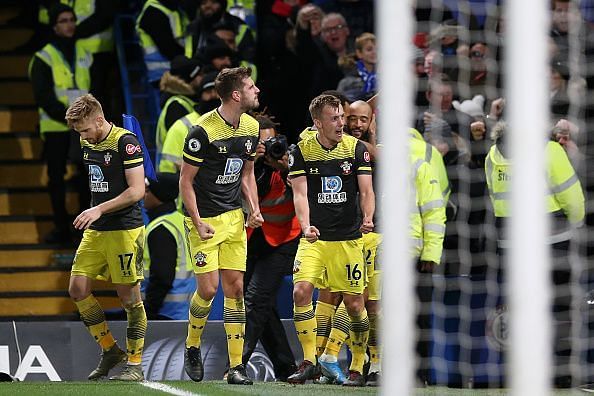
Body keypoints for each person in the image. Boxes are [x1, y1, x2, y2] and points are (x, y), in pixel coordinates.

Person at [485, 121, 585, 388]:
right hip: (552, 239)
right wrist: (575, 223)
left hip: (510, 244)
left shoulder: (492, 154)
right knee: (561, 308)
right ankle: (561, 374)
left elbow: (495, 198)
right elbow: (572, 198)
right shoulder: (548, 149)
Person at [180, 66, 262, 385]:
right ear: (236, 94)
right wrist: (198, 223)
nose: (258, 91)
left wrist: (253, 209)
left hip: (233, 219)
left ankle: (236, 366)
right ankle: (191, 346)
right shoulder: (203, 131)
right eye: (252, 87)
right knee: (208, 289)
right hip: (205, 221)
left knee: (236, 289)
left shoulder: (252, 127)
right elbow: (186, 182)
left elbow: (246, 174)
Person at [287, 94, 374, 387]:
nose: (341, 123)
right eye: (334, 118)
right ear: (318, 123)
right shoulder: (301, 151)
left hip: (349, 239)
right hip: (315, 239)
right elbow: (299, 194)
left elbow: (366, 190)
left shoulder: (356, 149)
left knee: (354, 305)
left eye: (341, 117)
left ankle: (359, 365)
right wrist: (305, 226)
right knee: (301, 292)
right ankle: (310, 361)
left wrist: (368, 217)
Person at [65, 94, 147, 381]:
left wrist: (98, 208)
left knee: (128, 298)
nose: (83, 136)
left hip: (125, 229)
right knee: (77, 289)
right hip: (98, 229)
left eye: (86, 129)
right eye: (78, 132)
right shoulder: (86, 141)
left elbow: (138, 191)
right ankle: (110, 350)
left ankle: (135, 363)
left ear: (99, 120)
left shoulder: (126, 142)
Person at [28, 3, 93, 244]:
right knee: (56, 179)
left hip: (82, 129)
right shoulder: (43, 57)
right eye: (64, 21)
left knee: (87, 179)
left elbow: (93, 90)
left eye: (72, 20)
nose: (70, 25)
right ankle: (61, 228)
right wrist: (73, 119)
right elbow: (43, 97)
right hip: (57, 128)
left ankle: (83, 228)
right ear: (54, 26)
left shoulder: (85, 52)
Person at [241, 114, 299, 381]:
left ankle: (237, 364)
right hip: (252, 239)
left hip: (284, 240)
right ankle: (286, 367)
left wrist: (287, 169)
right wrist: (257, 162)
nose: (269, 147)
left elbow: (303, 191)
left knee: (256, 300)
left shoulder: (295, 161)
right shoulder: (247, 164)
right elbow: (256, 193)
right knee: (260, 305)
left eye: (273, 141)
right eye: (262, 143)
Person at [143, 172, 196, 320]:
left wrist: (148, 311)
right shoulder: (179, 221)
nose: (143, 194)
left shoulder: (161, 229)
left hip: (164, 314)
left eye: (148, 190)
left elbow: (162, 277)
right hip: (183, 313)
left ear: (159, 195)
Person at [136, 0, 189, 86]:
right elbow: (168, 48)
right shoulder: (153, 12)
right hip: (164, 75)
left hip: (179, 71)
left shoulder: (177, 10)